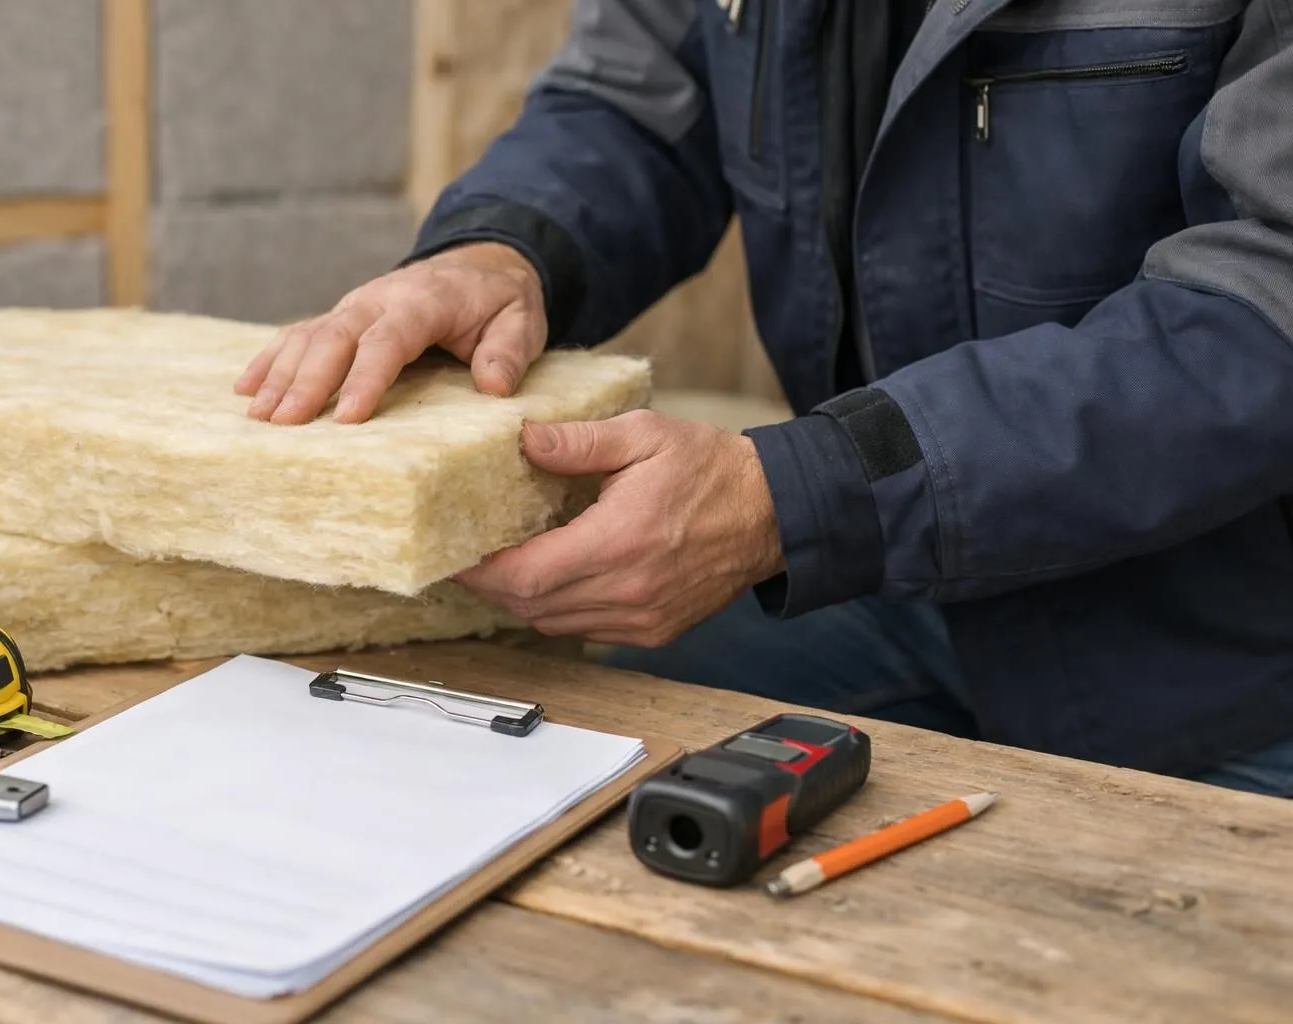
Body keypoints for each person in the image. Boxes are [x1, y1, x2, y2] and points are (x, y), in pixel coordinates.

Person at [235, 1, 1293, 797]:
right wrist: (505, 246)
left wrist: (806, 494)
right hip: (891, 588)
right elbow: (633, 104)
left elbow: (1266, 299)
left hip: (1228, 649)